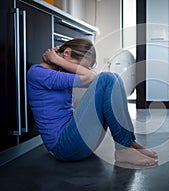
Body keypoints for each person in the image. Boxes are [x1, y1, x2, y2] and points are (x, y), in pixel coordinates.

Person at [27, 38, 158, 166]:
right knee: (107, 78)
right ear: (66, 53)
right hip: (64, 147)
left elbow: (94, 79)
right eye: (78, 67)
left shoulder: (59, 71)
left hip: (79, 142)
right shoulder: (38, 73)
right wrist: (57, 59)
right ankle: (123, 149)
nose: (75, 70)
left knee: (114, 78)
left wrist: (59, 60)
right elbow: (92, 77)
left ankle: (129, 143)